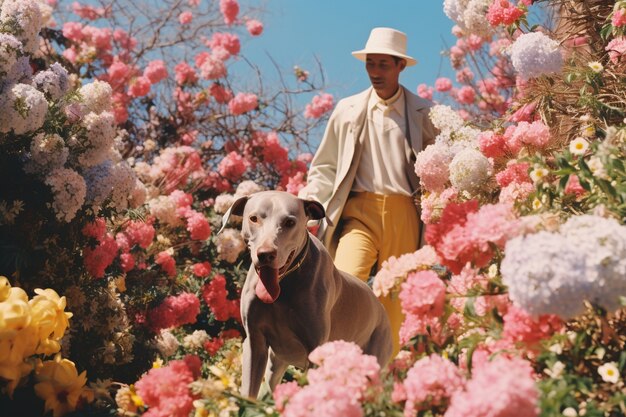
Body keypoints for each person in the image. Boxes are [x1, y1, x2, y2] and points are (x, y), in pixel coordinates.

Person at [298, 27, 437, 353]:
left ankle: (386, 376)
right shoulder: (348, 110)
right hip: (358, 212)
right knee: (343, 280)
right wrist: (310, 202)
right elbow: (326, 165)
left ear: (400, 66)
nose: (375, 72)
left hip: (405, 213)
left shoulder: (424, 113)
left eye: (383, 65)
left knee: (396, 299)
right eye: (370, 64)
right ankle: (333, 361)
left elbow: (439, 166)